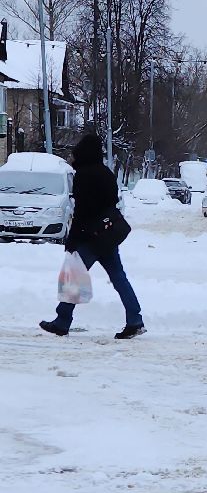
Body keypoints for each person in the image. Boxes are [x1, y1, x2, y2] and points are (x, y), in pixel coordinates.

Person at [40, 134, 145, 340]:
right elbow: (113, 200)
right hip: (107, 236)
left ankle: (62, 322)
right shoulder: (106, 173)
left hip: (88, 237)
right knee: (118, 277)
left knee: (73, 276)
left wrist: (72, 239)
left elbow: (81, 211)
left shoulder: (83, 174)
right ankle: (135, 319)